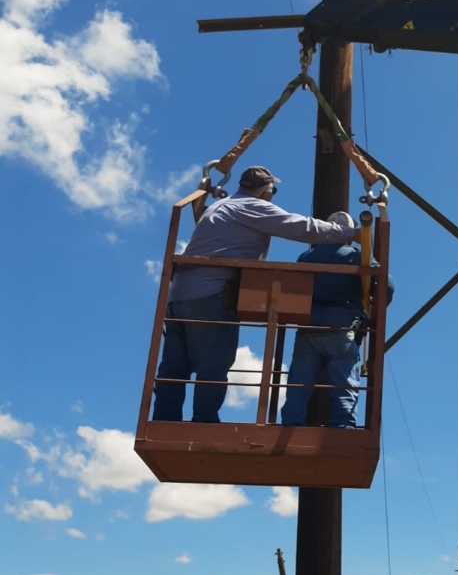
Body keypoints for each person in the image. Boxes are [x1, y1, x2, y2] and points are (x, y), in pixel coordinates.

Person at [152, 167, 358, 424]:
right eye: (273, 191)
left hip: (178, 294)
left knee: (174, 366)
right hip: (211, 294)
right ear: (266, 190)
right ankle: (204, 422)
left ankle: (164, 421)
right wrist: (353, 233)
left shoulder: (220, 206)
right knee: (212, 364)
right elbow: (302, 227)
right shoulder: (253, 206)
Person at [281, 211, 394, 429]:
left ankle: (291, 424)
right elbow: (385, 285)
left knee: (299, 383)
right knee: (345, 382)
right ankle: (343, 426)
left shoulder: (306, 257)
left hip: (308, 329)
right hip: (342, 329)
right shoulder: (355, 256)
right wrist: (375, 305)